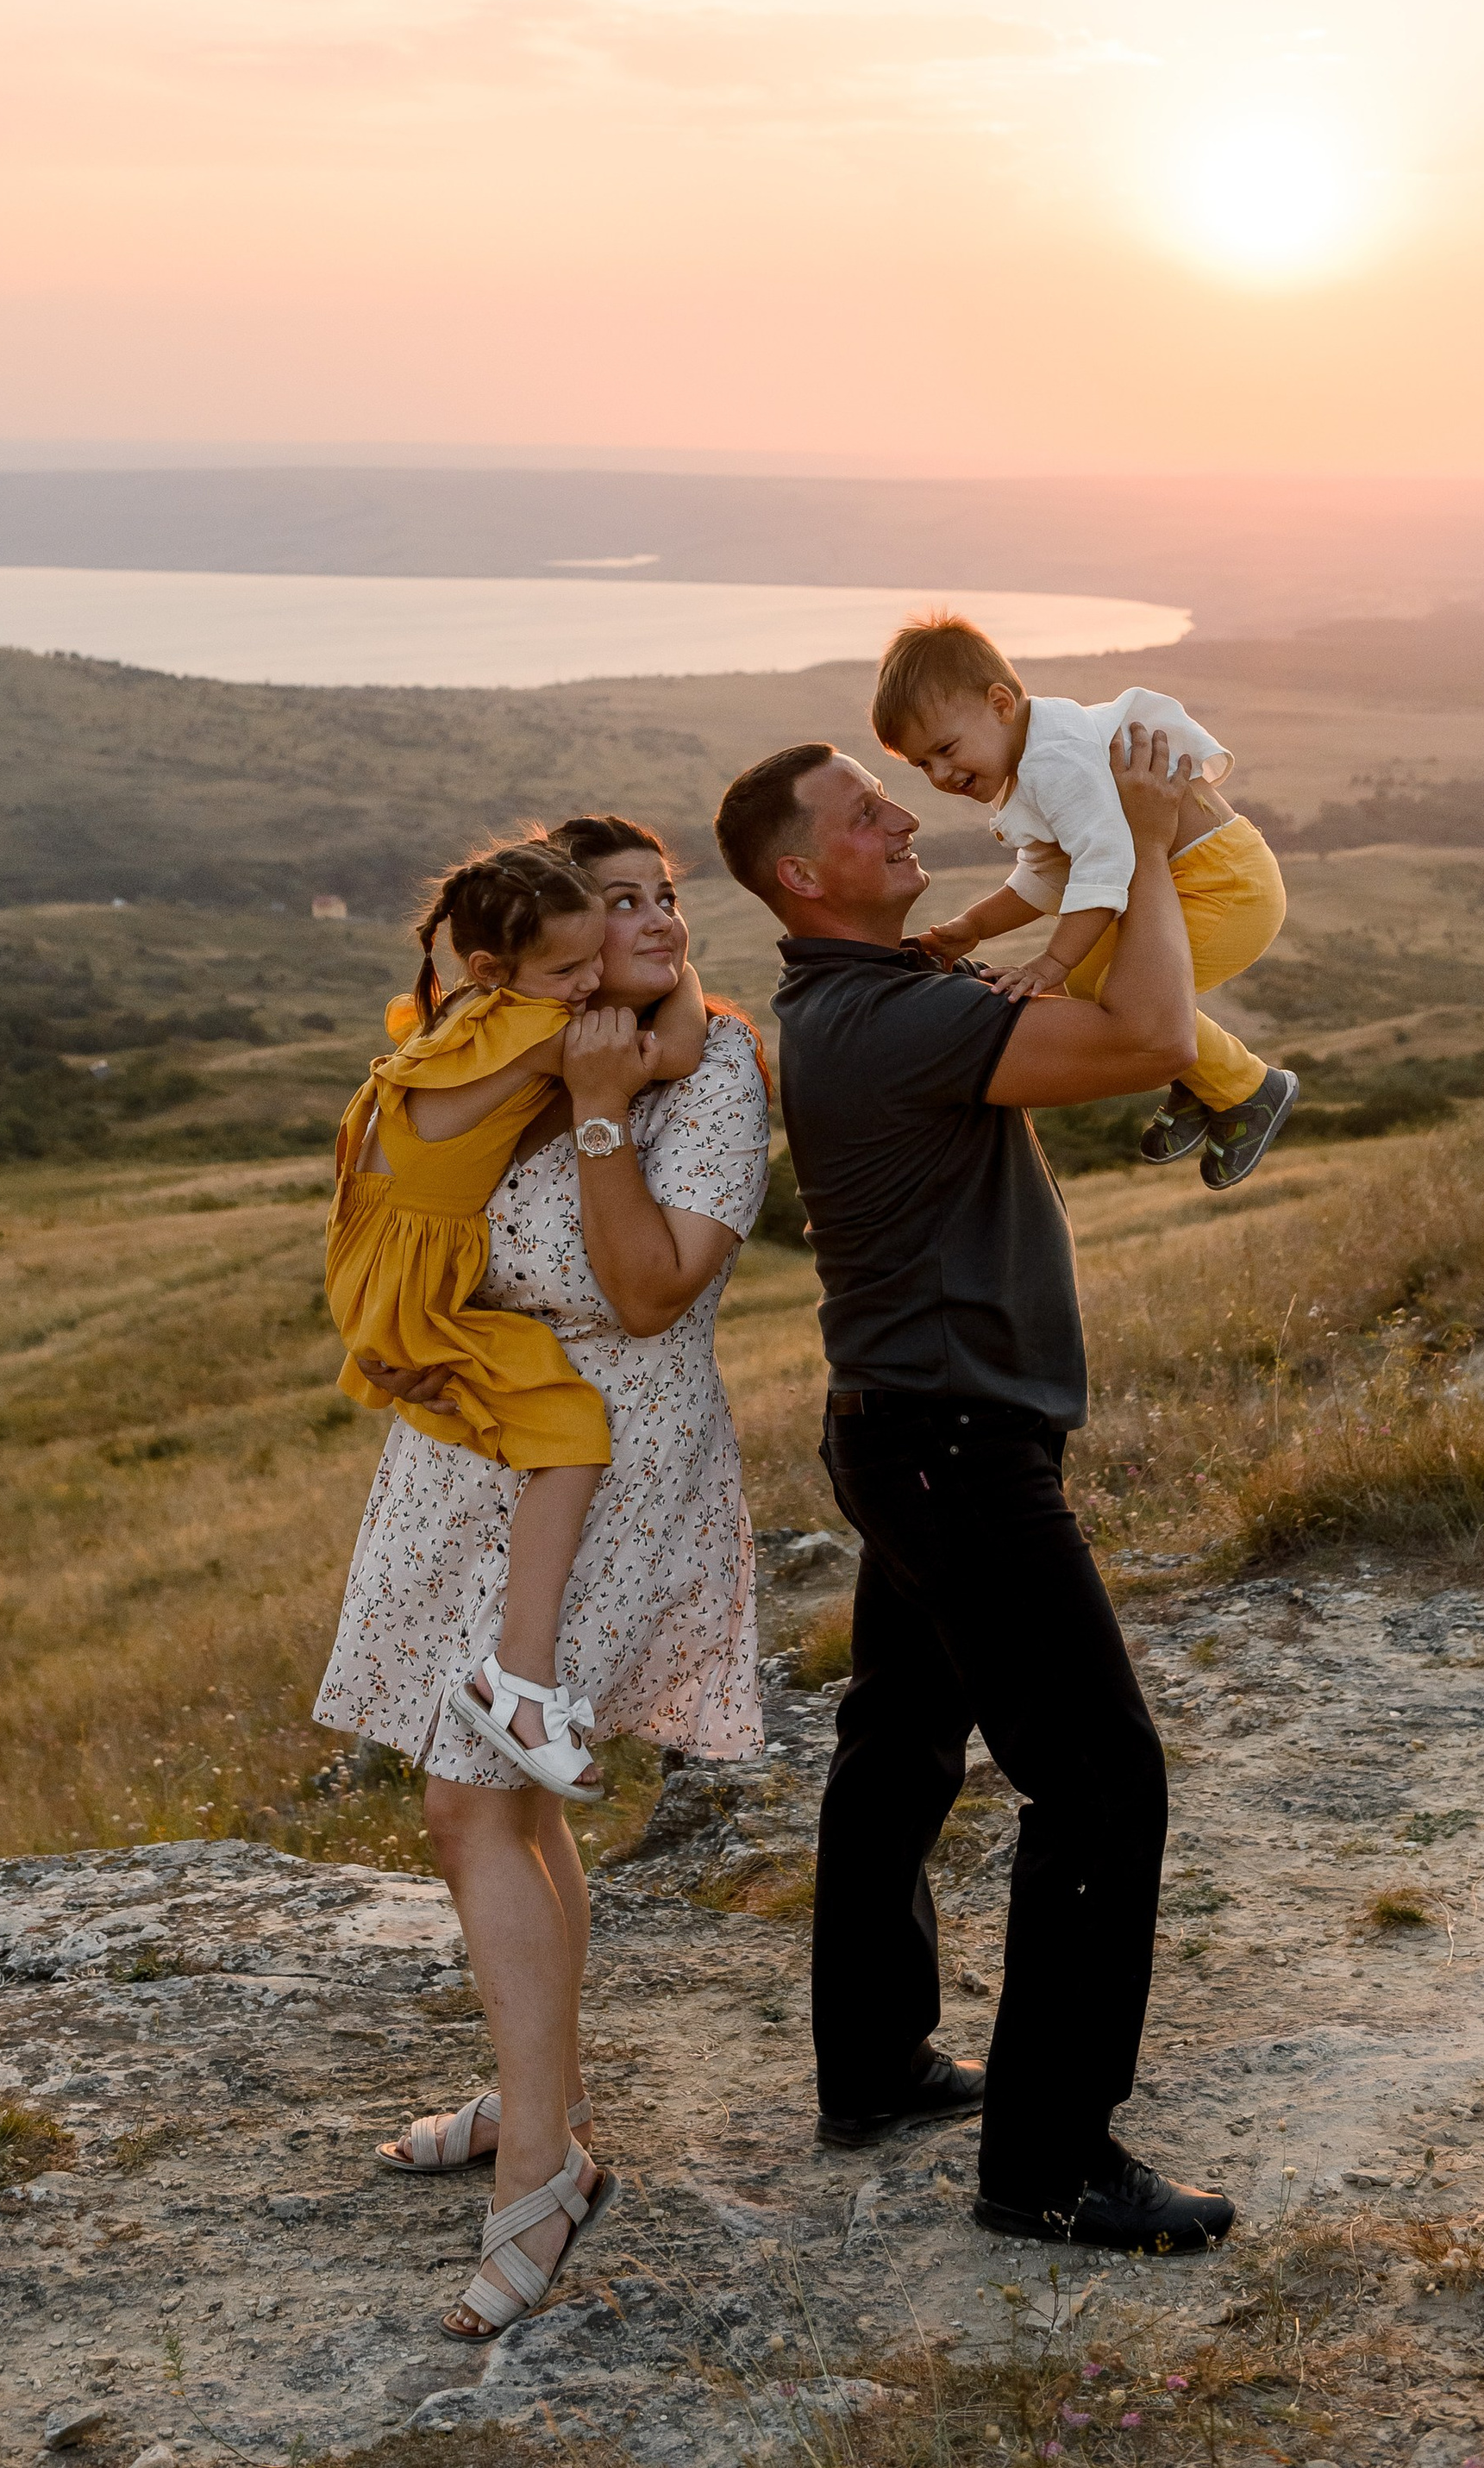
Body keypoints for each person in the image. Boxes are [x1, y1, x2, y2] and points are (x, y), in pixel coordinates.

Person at [711, 723, 1236, 2254]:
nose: (904, 820)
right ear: (805, 875)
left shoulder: (868, 997)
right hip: (954, 1448)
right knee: (1099, 1779)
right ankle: (1049, 2164)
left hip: (906, 1429)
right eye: (870, 814)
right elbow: (1148, 1037)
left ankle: (873, 2064)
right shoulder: (897, 1019)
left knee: (900, 1741)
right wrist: (1131, 840)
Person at [317, 815, 769, 2339]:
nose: (642, 920)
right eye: (608, 903)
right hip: (475, 1440)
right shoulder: (535, 1038)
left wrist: (593, 1109)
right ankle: (541, 2098)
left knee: (473, 1807)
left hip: (611, 1455)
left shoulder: (703, 1077)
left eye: (659, 899)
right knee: (512, 1806)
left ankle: (544, 2168)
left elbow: (647, 1295)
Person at [325, 838, 708, 1799]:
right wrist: (686, 970)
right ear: (498, 969)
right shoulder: (544, 1030)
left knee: (533, 1415)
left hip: (382, 1264)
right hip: (417, 1284)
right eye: (567, 968)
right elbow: (679, 1051)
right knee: (570, 1430)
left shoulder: (465, 1012)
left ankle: (514, 1675)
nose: (587, 985)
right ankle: (516, 1680)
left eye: (593, 961)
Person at [871, 612, 1298, 1190]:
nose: (941, 774)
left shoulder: (1053, 762)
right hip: (1189, 882)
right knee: (1099, 984)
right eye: (923, 763)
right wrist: (971, 928)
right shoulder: (1034, 761)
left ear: (1001, 704)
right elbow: (1047, 875)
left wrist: (1050, 964)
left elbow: (1104, 866)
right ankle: (1207, 1082)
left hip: (1225, 887)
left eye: (946, 749)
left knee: (1114, 994)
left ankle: (1249, 1090)